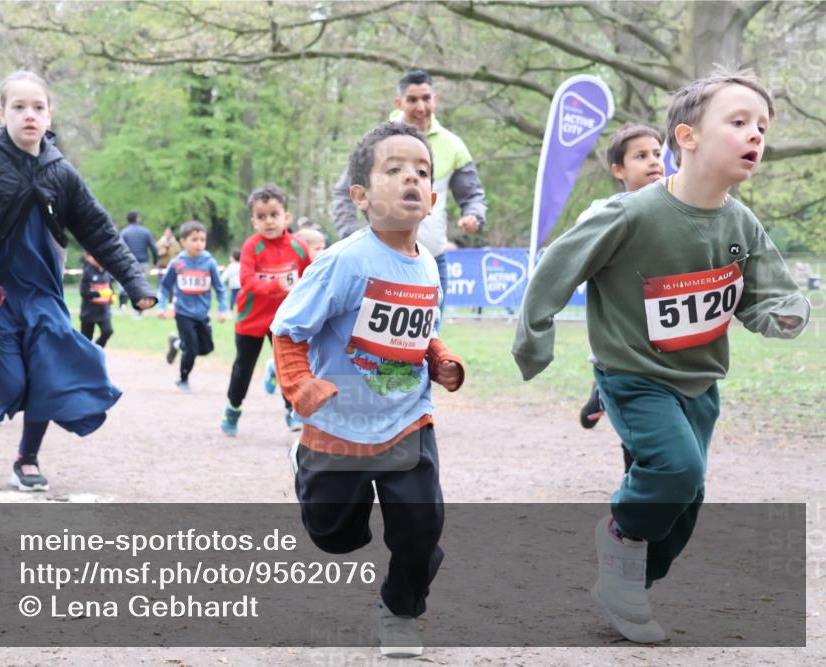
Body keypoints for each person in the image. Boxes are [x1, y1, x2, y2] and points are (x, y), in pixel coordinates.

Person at [511, 69, 810, 643]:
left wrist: (786, 314)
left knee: (686, 501)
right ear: (687, 137)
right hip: (632, 374)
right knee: (677, 469)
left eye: (763, 127)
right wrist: (534, 339)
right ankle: (620, 537)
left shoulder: (741, 223)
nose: (755, 135)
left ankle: (627, 587)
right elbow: (556, 267)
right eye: (739, 121)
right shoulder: (630, 213)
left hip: (699, 382)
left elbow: (766, 294)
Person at [272, 122, 464, 658]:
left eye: (421, 172)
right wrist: (299, 386)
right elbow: (288, 329)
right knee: (334, 535)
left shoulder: (427, 264)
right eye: (394, 169)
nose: (411, 178)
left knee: (422, 525)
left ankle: (401, 610)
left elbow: (424, 330)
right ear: (361, 196)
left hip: (408, 417)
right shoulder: (343, 262)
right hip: (338, 424)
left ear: (431, 199)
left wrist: (441, 360)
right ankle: (301, 460)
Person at [0, 71, 156, 492]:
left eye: (38, 107)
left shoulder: (62, 172)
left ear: (50, 115)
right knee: (9, 384)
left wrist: (136, 284)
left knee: (48, 376)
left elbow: (100, 231)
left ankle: (27, 457)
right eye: (18, 107)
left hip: (44, 298)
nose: (29, 115)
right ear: (1, 112)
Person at [332, 69, 487, 310]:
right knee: (375, 341)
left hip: (433, 260)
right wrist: (349, 235)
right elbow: (344, 192)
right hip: (380, 259)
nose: (421, 107)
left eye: (426, 98)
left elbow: (472, 195)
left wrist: (474, 214)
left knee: (427, 340)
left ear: (435, 100)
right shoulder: (377, 142)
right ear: (399, 102)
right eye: (412, 99)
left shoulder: (453, 145)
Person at [575, 123, 666, 474]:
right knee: (640, 425)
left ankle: (601, 393)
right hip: (622, 335)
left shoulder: (678, 204)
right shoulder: (604, 212)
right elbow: (575, 249)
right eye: (641, 156)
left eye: (657, 154)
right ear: (618, 170)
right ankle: (636, 492)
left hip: (665, 331)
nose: (653, 161)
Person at [222, 183, 310, 436]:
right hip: (251, 320)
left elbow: (310, 278)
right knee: (243, 368)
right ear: (253, 221)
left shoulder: (298, 247)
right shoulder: (252, 247)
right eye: (261, 217)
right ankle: (233, 408)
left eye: (274, 215)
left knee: (289, 367)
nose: (269, 221)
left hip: (284, 321)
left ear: (286, 217)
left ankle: (292, 412)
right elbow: (247, 281)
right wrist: (275, 285)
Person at [159, 220, 229, 391]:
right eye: (195, 239)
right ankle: (183, 379)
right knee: (191, 349)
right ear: (183, 241)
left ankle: (176, 343)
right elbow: (165, 286)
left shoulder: (209, 263)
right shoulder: (177, 263)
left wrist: (222, 309)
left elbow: (220, 289)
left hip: (202, 313)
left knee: (205, 348)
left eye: (202, 240)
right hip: (183, 312)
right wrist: (161, 306)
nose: (199, 244)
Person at [263, 226, 328, 395]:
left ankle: (274, 365)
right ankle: (275, 367)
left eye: (324, 247)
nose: (323, 252)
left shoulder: (327, 269)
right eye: (317, 248)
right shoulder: (302, 272)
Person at [117, 211, 158, 315]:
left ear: (127, 220)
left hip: (128, 262)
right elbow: (154, 248)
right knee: (140, 286)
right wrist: (155, 261)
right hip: (143, 262)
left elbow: (118, 248)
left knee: (125, 284)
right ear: (137, 219)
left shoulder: (124, 232)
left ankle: (122, 306)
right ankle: (138, 311)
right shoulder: (145, 232)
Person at [78, 253, 115, 348]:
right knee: (86, 339)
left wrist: (112, 296)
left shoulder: (107, 272)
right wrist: (99, 293)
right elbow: (83, 292)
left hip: (103, 311)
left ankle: (96, 350)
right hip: (89, 312)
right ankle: (84, 358)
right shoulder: (87, 272)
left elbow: (110, 287)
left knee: (108, 331)